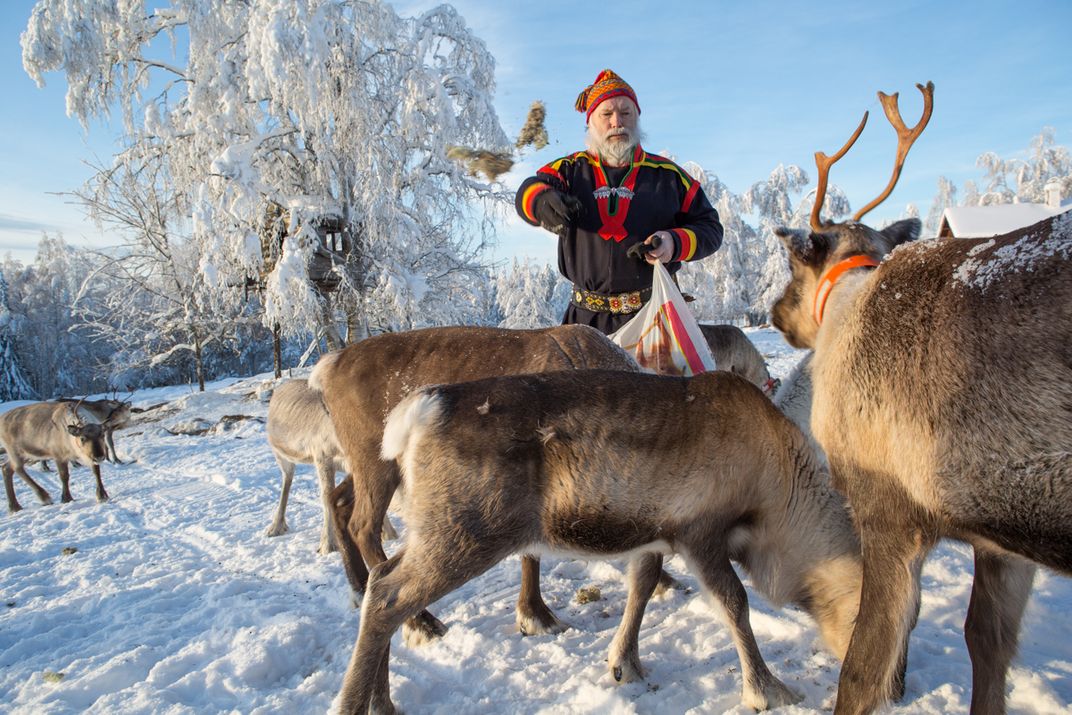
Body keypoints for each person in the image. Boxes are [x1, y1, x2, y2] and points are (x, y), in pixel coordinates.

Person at [515, 69, 724, 334]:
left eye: (626, 113)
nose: (617, 122)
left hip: (656, 319)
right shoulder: (568, 169)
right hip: (585, 324)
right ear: (590, 121)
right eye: (607, 114)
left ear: (637, 119)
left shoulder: (669, 176)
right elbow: (528, 190)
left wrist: (673, 242)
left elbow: (711, 228)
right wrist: (541, 201)